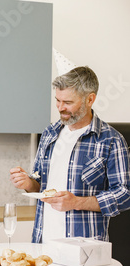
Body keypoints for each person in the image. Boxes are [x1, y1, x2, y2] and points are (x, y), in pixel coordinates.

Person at [10, 66, 130, 243]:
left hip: (84, 247)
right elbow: (40, 186)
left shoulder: (110, 140)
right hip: (43, 241)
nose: (60, 108)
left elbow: (125, 194)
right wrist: (29, 183)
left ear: (90, 99)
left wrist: (77, 203)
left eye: (68, 102)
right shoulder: (50, 133)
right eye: (57, 100)